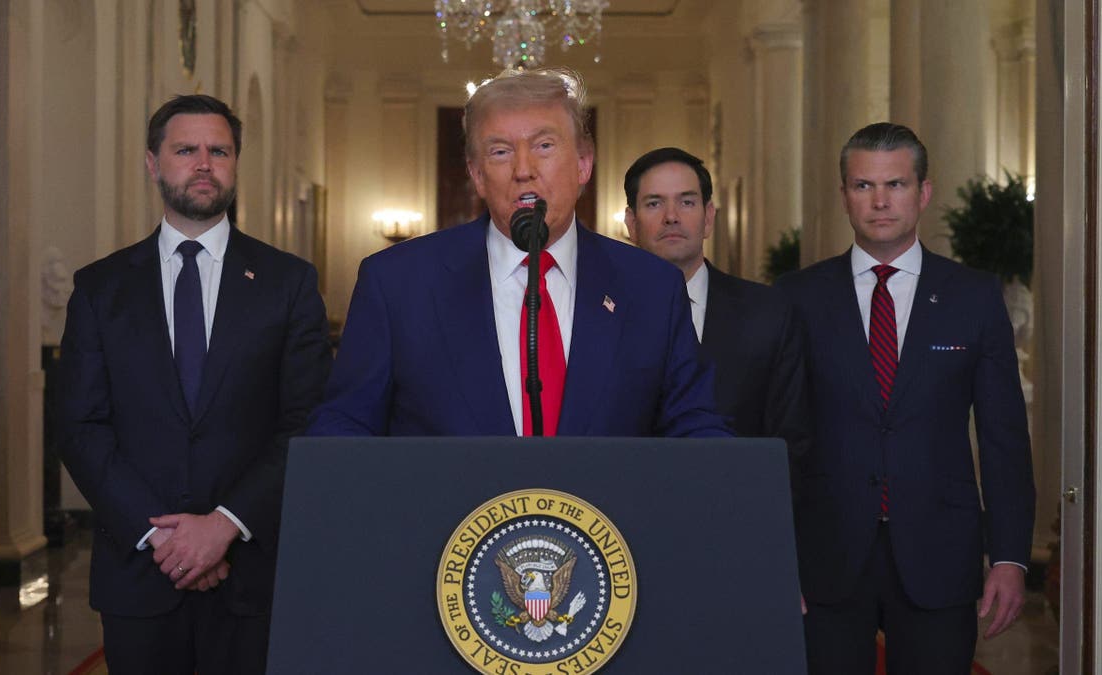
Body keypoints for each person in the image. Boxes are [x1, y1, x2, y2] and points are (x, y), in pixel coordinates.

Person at [56, 94, 331, 675]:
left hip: (253, 575)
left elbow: (306, 421)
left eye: (219, 151)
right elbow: (80, 427)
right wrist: (166, 541)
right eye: (186, 150)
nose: (204, 163)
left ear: (234, 163)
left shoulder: (288, 283)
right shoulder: (101, 289)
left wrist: (224, 525)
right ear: (153, 164)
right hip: (138, 573)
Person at [306, 69, 726, 437]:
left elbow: (692, 426)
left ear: (583, 164)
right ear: (477, 175)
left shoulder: (651, 287)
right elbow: (344, 427)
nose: (523, 169)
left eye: (544, 146)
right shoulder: (397, 283)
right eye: (500, 151)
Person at [775, 122, 1035, 673]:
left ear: (923, 192)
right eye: (863, 186)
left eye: (894, 184)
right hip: (825, 556)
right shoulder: (797, 298)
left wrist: (1010, 556)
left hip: (940, 553)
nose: (880, 201)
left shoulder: (973, 296)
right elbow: (777, 435)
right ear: (844, 194)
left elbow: (1004, 437)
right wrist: (772, 555)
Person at [623, 147, 810, 465]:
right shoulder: (602, 314)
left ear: (708, 218)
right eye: (654, 203)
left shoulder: (768, 314)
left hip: (739, 505)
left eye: (687, 202)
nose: (672, 216)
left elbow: (791, 444)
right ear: (631, 222)